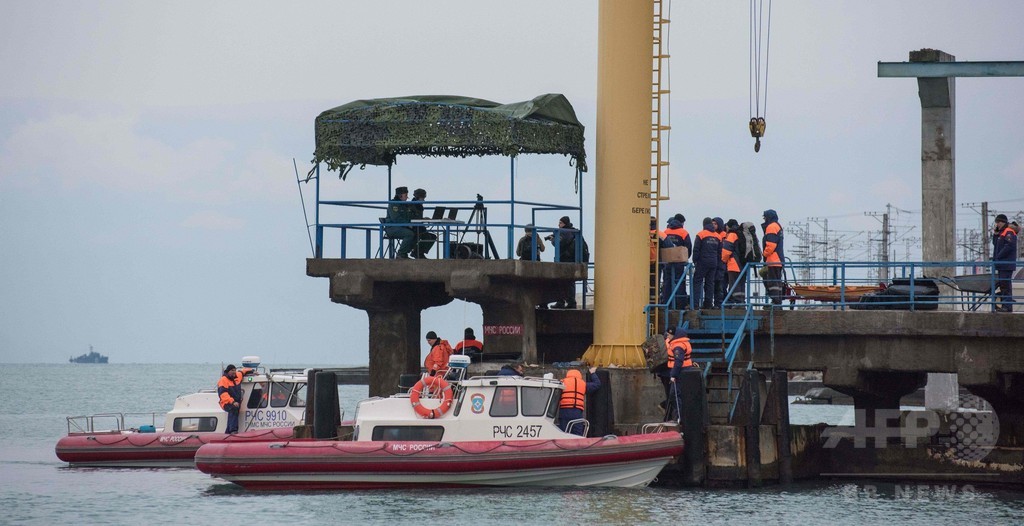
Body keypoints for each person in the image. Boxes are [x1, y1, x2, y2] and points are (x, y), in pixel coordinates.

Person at [546, 216, 588, 308]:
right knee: (568, 282)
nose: (558, 225)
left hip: (566, 260)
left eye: (560, 223)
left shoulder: (565, 232)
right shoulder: (574, 231)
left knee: (561, 281)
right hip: (573, 260)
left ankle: (563, 302)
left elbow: (559, 243)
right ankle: (569, 302)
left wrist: (553, 240)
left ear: (564, 223)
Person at [559, 366, 601, 436]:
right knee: (578, 434)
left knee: (563, 434)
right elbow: (597, 384)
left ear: (568, 375)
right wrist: (593, 373)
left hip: (564, 412)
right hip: (577, 412)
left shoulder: (562, 382)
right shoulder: (583, 384)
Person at [660, 214, 691, 309]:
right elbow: (688, 248)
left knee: (667, 282)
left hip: (667, 262)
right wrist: (685, 258)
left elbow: (661, 246)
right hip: (679, 262)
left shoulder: (665, 232)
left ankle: (667, 303)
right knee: (680, 282)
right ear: (682, 222)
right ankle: (680, 304)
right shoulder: (684, 232)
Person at [692, 217, 722, 309]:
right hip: (713, 263)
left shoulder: (701, 234)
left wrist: (695, 261)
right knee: (710, 283)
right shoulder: (718, 236)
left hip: (702, 262)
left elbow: (696, 249)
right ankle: (708, 304)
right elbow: (720, 252)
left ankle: (695, 304)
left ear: (704, 224)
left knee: (697, 282)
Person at [666, 326, 693, 422]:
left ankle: (678, 418)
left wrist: (673, 375)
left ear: (674, 335)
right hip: (683, 370)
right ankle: (678, 417)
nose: (667, 336)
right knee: (677, 394)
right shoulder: (676, 343)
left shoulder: (678, 346)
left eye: (669, 334)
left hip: (680, 372)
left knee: (675, 395)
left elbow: (678, 362)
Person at [720, 219, 750, 304]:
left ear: (729, 226)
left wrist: (723, 260)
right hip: (743, 264)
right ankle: (741, 302)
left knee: (734, 285)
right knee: (741, 284)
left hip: (733, 264)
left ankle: (737, 302)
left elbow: (726, 251)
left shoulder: (732, 235)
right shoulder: (741, 233)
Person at [992, 213, 1018, 313]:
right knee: (1003, 285)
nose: (997, 224)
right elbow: (995, 244)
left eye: (998, 222)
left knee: (1005, 285)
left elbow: (1009, 246)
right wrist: (995, 234)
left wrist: (999, 256)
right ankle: (1005, 305)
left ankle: (1007, 306)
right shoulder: (1001, 233)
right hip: (1001, 264)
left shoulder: (1008, 232)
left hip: (1006, 264)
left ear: (1003, 222)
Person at [761, 209, 785, 305]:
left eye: (764, 217)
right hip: (779, 259)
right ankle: (778, 301)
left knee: (772, 282)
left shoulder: (771, 227)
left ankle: (775, 301)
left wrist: (764, 254)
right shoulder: (778, 226)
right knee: (777, 282)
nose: (764, 219)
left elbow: (771, 245)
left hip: (773, 259)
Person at [384, 187, 416, 259]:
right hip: (392, 228)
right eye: (405, 195)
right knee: (409, 234)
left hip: (401, 226)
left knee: (417, 232)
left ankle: (410, 253)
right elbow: (396, 219)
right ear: (400, 195)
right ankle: (401, 254)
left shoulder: (404, 205)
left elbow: (409, 215)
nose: (407, 197)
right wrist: (407, 224)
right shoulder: (394, 204)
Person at [217, 364, 249, 434]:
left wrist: (252, 370)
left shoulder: (237, 376)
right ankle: (233, 430)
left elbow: (243, 372)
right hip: (225, 403)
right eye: (232, 370)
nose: (234, 372)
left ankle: (228, 432)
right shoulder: (223, 380)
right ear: (228, 371)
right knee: (233, 409)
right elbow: (223, 394)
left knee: (234, 410)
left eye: (235, 370)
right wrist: (232, 401)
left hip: (236, 402)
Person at [410, 188, 437, 258]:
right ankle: (416, 252)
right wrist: (422, 219)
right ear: (418, 197)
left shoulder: (418, 206)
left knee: (433, 237)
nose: (424, 200)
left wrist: (423, 219)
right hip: (413, 227)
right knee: (427, 237)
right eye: (423, 198)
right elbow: (412, 218)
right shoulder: (411, 205)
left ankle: (419, 252)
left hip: (419, 227)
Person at [713, 217, 728, 307]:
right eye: (712, 224)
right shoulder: (713, 235)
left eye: (715, 224)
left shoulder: (723, 235)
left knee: (721, 284)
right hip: (716, 262)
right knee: (716, 284)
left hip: (722, 263)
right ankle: (718, 302)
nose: (713, 225)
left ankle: (722, 302)